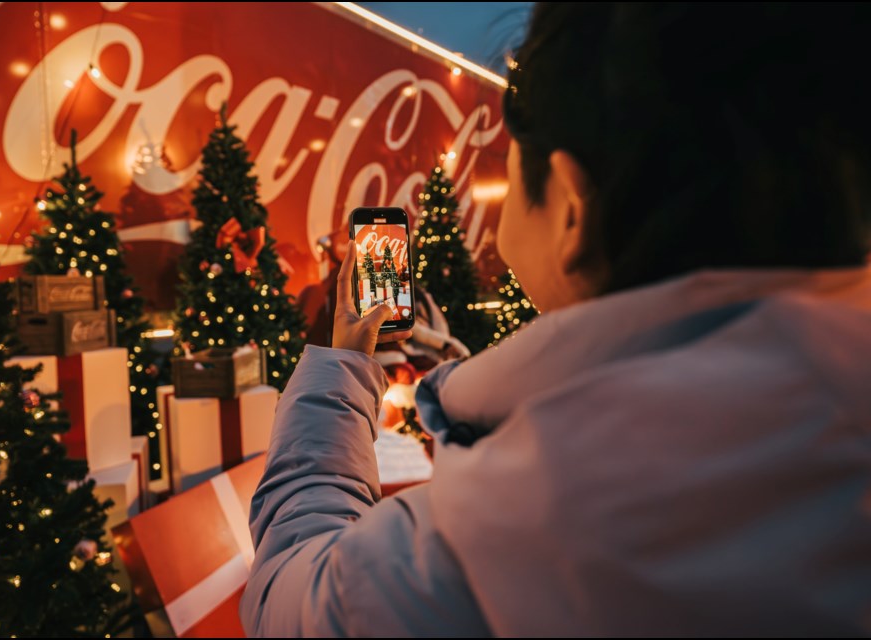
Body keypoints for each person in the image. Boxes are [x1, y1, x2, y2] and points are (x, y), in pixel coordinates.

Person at [241, 3, 871, 636]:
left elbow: (296, 599)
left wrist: (343, 360)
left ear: (571, 208)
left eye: (511, 167)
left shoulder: (531, 520)